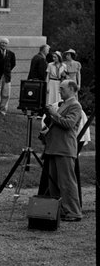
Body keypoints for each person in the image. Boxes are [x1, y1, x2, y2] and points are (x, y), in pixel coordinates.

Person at [38, 79, 84, 221]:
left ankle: (74, 212)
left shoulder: (75, 106)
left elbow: (69, 123)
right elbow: (57, 123)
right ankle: (60, 210)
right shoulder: (63, 104)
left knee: (67, 182)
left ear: (72, 89)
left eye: (62, 89)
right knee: (54, 183)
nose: (59, 91)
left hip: (64, 148)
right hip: (54, 147)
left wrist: (54, 114)